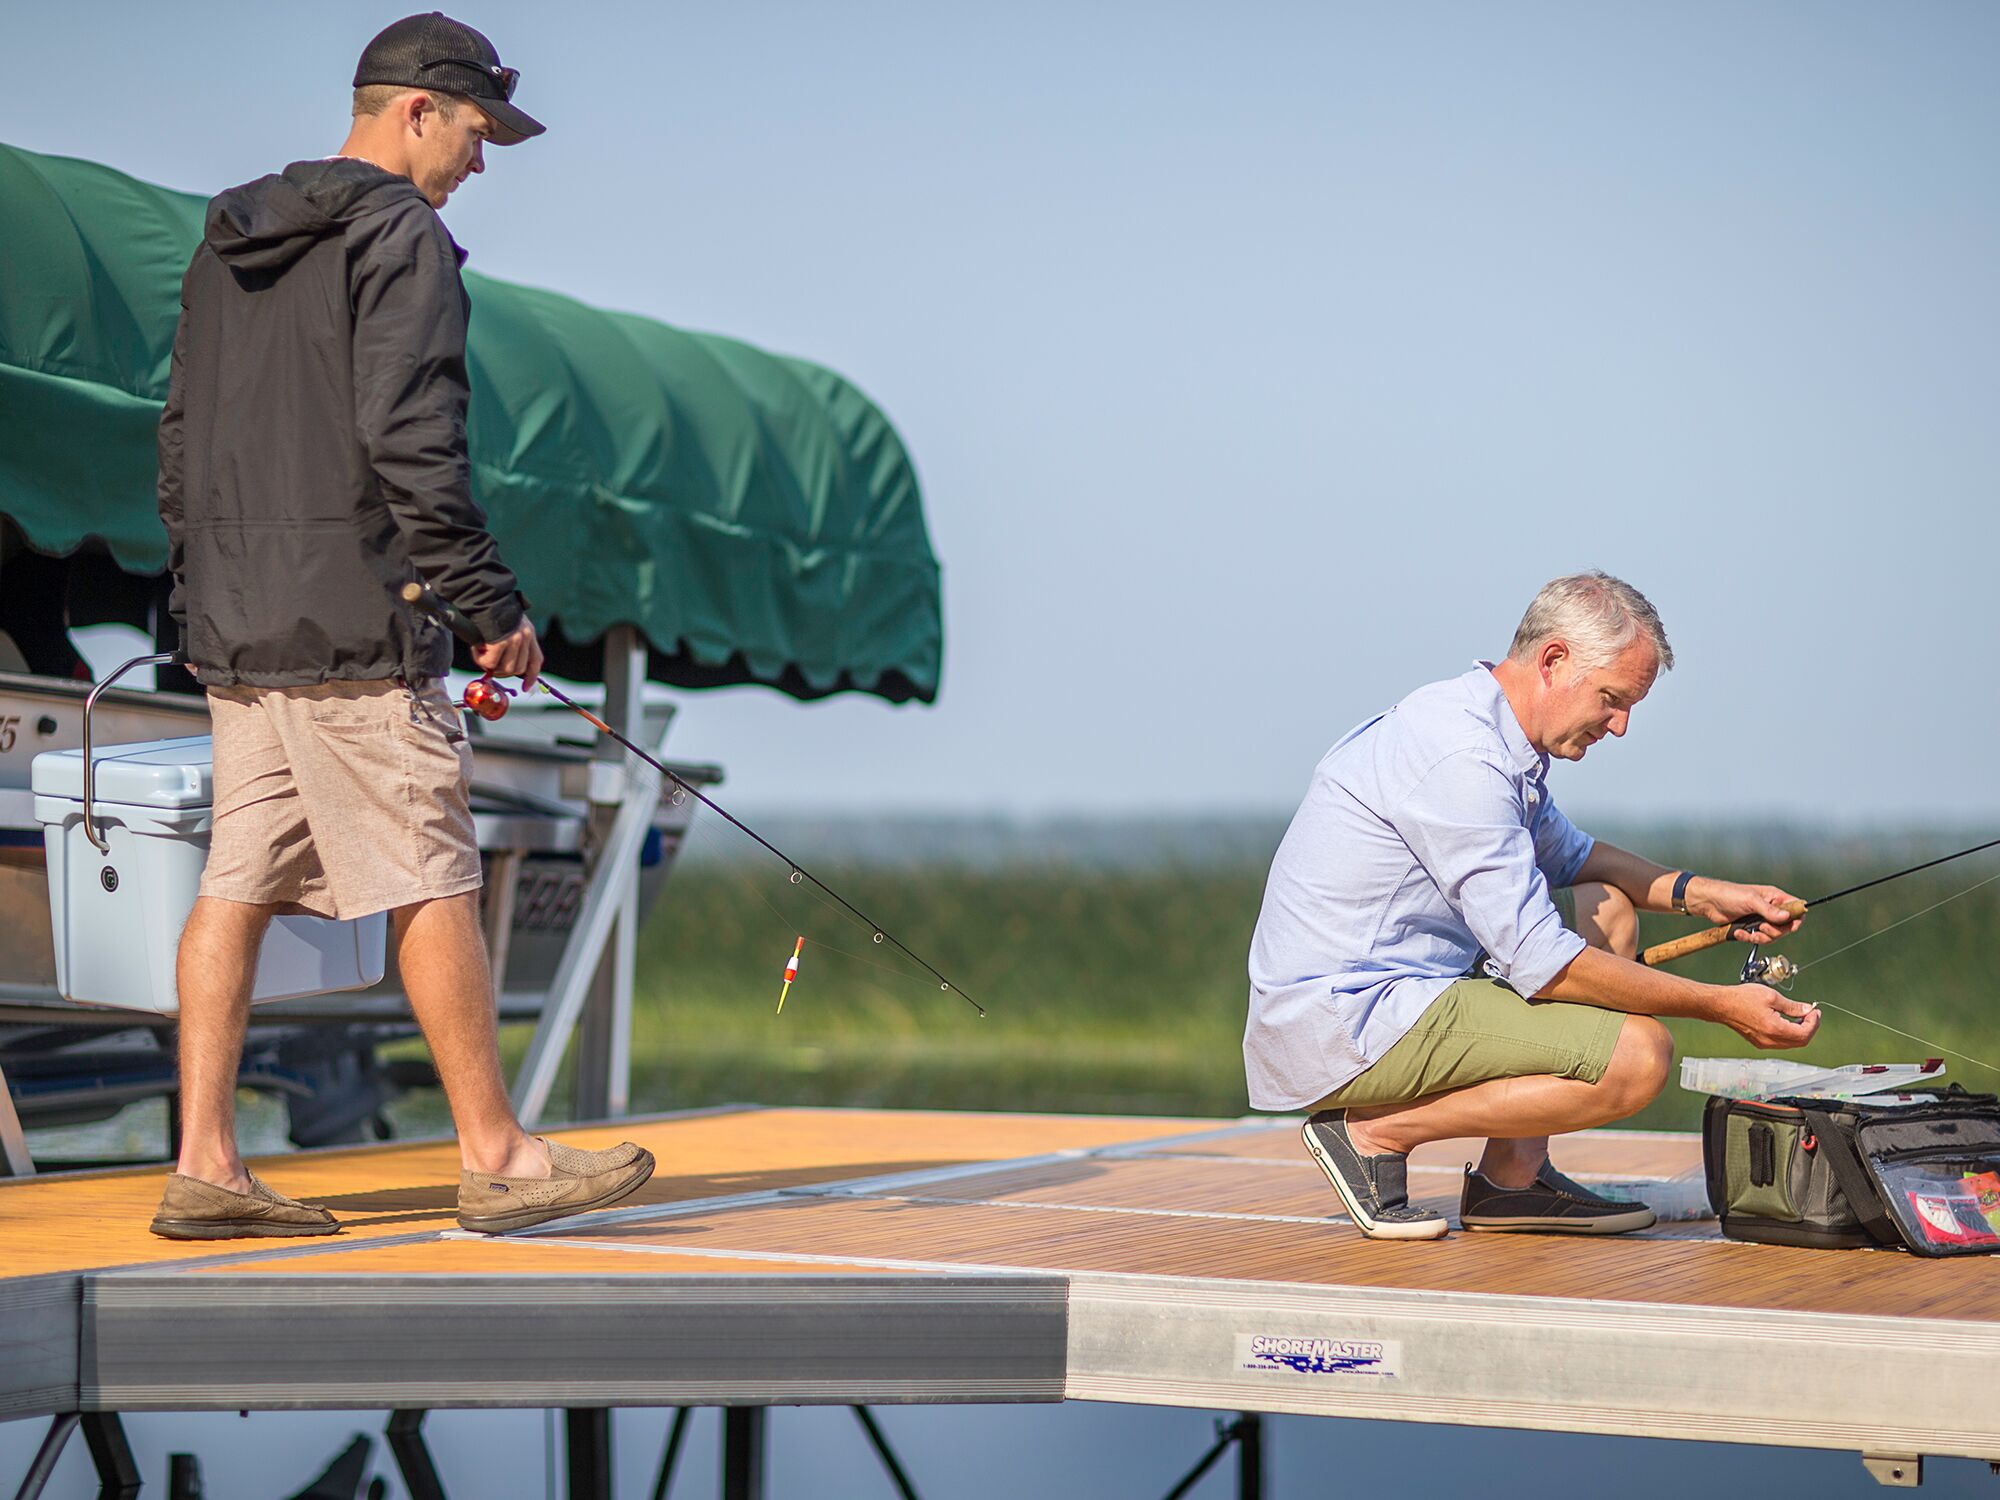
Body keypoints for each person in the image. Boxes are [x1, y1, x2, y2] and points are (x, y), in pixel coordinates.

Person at [151, 13, 653, 1239]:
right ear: (415, 111)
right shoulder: (404, 238)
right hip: (353, 627)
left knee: (235, 882)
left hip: (236, 627)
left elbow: (179, 440)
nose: (480, 164)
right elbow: (411, 442)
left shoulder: (226, 247)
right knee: (431, 866)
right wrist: (489, 609)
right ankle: (498, 1156)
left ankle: (206, 1165)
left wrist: (201, 593)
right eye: (477, 134)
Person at [1245, 572, 1817, 1241]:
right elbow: (1544, 965)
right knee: (1639, 1057)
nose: (1622, 726)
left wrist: (1710, 895)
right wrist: (1720, 1004)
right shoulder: (1465, 761)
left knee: (1609, 903)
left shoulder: (1487, 729)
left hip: (1380, 1000)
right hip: (1344, 1020)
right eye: (1612, 699)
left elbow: (1578, 859)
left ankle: (1513, 1181)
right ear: (1554, 661)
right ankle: (1372, 1136)